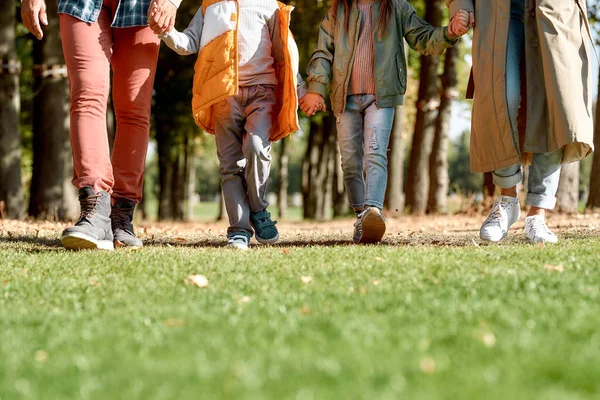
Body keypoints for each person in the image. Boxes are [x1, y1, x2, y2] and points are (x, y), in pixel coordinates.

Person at [301, 0, 470, 243]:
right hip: (344, 96)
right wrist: (316, 88)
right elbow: (323, 51)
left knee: (375, 153)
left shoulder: (397, 7)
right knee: (350, 162)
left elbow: (421, 36)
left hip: (382, 96)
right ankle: (362, 216)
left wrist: (449, 32)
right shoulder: (338, 11)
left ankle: (373, 210)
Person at [20, 0, 180, 250]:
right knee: (87, 95)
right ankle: (94, 208)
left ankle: (121, 216)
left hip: (144, 6)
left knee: (134, 109)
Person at [157, 0, 306, 250]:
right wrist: (165, 31)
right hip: (223, 95)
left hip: (262, 92)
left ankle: (258, 209)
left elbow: (285, 56)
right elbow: (188, 44)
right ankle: (239, 229)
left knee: (257, 147)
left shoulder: (268, 6)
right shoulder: (209, 7)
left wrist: (301, 90)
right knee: (230, 165)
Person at [447, 0, 595, 244]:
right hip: (497, 9)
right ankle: (507, 200)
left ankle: (538, 213)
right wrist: (460, 6)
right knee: (501, 96)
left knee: (553, 101)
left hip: (555, 8)